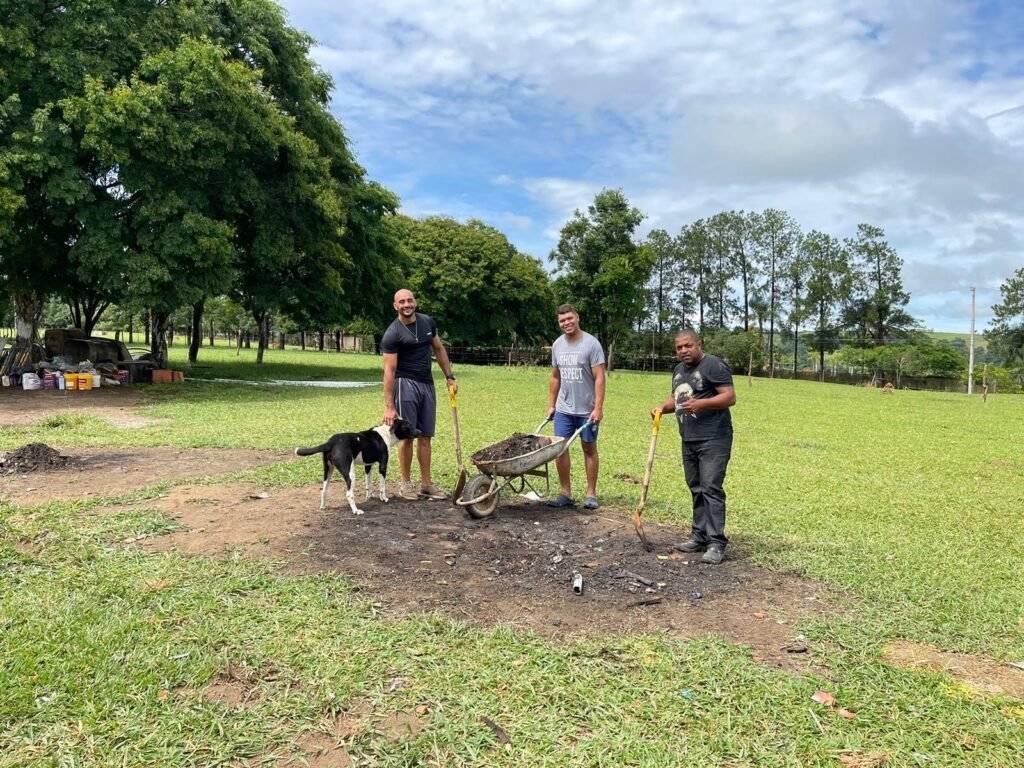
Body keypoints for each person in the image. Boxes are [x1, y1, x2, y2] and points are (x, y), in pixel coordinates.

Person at [652, 329, 736, 564]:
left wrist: (701, 404)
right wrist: (662, 408)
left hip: (714, 438)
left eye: (688, 345)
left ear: (699, 343)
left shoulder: (714, 365)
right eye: (679, 347)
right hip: (689, 438)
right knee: (696, 487)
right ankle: (699, 536)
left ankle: (716, 542)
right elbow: (676, 398)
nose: (683, 351)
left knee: (711, 488)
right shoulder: (679, 370)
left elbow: (729, 397)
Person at [382, 288, 458, 500]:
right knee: (407, 437)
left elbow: (439, 349)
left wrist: (450, 377)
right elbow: (389, 370)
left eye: (409, 300)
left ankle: (426, 484)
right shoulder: (392, 333)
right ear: (395, 306)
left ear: (415, 302)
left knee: (425, 436)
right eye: (402, 302)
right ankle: (406, 484)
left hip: (427, 384)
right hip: (405, 384)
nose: (406, 305)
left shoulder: (427, 322)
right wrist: (389, 406)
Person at [545, 304, 606, 510]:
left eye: (569, 318)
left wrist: (598, 408)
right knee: (560, 449)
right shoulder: (557, 345)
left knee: (589, 448)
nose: (567, 323)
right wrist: (552, 405)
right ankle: (565, 493)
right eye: (562, 320)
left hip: (587, 410)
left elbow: (599, 378)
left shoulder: (591, 344)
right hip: (564, 409)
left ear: (577, 318)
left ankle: (591, 494)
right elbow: (555, 377)